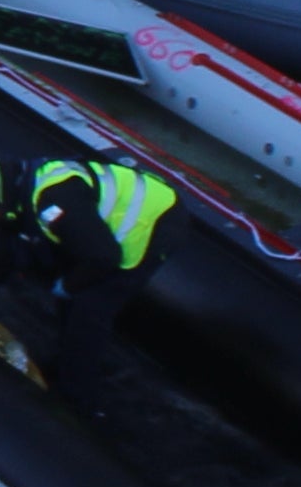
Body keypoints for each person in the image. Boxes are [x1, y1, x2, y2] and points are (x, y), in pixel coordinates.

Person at [9, 149, 177, 404]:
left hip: (153, 224)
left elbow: (106, 257)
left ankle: (78, 397)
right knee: (74, 298)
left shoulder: (53, 201)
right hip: (118, 225)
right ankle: (65, 366)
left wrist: (68, 285)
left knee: (91, 309)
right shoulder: (37, 191)